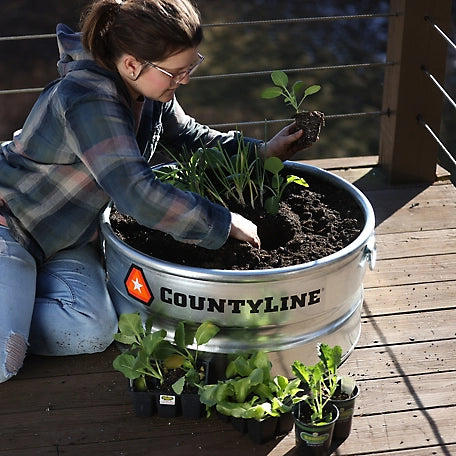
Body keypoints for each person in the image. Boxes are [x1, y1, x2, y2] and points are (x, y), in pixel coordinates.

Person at [0, 0, 307, 383]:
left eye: (191, 66)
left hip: (65, 235)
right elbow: (136, 193)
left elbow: (190, 137)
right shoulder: (87, 99)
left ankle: (13, 305)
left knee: (93, 333)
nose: (185, 79)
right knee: (4, 361)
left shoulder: (146, 89)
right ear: (132, 64)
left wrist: (260, 152)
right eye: (177, 71)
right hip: (10, 223)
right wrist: (222, 221)